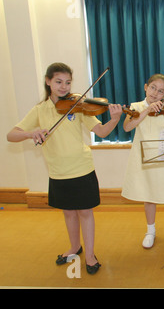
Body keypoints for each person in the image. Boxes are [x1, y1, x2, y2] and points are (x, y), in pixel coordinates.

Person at [6, 62, 123, 274]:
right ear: (48, 81)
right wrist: (30, 133)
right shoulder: (40, 110)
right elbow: (11, 135)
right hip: (58, 171)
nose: (64, 87)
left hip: (82, 168)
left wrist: (114, 119)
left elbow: (102, 131)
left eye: (68, 82)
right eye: (58, 81)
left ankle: (89, 254)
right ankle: (74, 247)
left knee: (85, 212)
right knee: (69, 213)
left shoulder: (77, 105)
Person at [121, 74, 164, 250]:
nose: (155, 93)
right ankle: (150, 232)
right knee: (149, 196)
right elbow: (127, 127)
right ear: (146, 87)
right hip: (144, 157)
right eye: (153, 88)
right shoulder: (136, 106)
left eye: (161, 91)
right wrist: (146, 110)